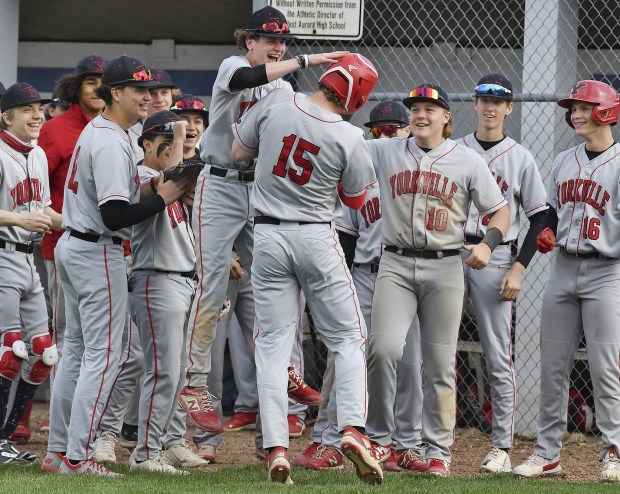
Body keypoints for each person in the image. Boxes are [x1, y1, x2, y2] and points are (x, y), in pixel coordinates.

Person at [179, 5, 342, 433]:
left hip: (260, 190)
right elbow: (244, 81)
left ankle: (287, 373)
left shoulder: (284, 90)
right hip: (219, 184)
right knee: (211, 287)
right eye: (269, 40)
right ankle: (194, 383)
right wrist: (306, 61)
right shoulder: (233, 65)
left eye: (282, 41)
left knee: (278, 287)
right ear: (249, 41)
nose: (277, 47)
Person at [232, 52, 382, 485]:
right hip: (317, 234)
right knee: (349, 338)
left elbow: (238, 151)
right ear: (357, 97)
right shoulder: (350, 136)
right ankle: (352, 429)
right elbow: (356, 201)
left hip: (268, 234)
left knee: (274, 345)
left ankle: (277, 447)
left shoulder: (278, 104)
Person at [42, 55, 186, 477]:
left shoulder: (108, 132)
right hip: (96, 248)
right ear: (115, 93)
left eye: (149, 88)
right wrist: (165, 197)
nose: (147, 96)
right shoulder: (108, 139)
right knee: (105, 356)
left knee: (76, 351)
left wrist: (150, 186)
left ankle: (58, 451)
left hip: (77, 244)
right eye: (138, 89)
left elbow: (113, 198)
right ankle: (79, 456)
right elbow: (113, 216)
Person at [364, 83, 510, 477]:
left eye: (430, 108)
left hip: (446, 266)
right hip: (394, 263)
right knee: (382, 351)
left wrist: (489, 245)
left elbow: (500, 212)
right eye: (415, 109)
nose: (421, 115)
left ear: (447, 117)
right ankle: (379, 441)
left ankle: (438, 451)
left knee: (441, 363)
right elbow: (341, 145)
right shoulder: (386, 150)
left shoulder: (466, 160)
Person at [294, 101, 425, 473]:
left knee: (408, 360)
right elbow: (347, 242)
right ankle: (327, 440)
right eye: (378, 129)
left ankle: (405, 445)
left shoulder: (417, 175)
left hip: (406, 274)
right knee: (343, 355)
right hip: (366, 276)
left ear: (407, 132)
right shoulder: (358, 179)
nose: (384, 135)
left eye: (393, 128)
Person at [512, 80, 620, 483]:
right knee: (552, 366)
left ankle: (613, 450)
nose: (575, 113)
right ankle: (547, 453)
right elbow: (551, 214)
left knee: (604, 367)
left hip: (607, 271)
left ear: (606, 111)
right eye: (573, 107)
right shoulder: (563, 160)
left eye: (584, 106)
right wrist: (547, 232)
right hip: (563, 268)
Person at [455, 73, 548, 473]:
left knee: (498, 354)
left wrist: (519, 267)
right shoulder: (454, 149)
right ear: (474, 104)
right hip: (451, 250)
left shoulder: (520, 156)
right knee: (429, 350)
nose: (490, 107)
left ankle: (502, 447)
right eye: (483, 99)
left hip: (497, 256)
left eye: (498, 101)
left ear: (509, 107)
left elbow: (542, 216)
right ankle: (425, 441)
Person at [35, 54, 108, 436]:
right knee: (69, 336)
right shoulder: (58, 128)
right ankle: (61, 422)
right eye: (90, 81)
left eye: (102, 81)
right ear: (76, 87)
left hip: (111, 246)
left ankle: (93, 422)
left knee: (100, 342)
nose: (97, 88)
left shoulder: (117, 127)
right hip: (65, 245)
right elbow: (36, 191)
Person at [124, 111, 200, 473]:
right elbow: (164, 179)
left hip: (183, 279)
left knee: (176, 371)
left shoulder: (177, 177)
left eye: (175, 143)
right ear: (147, 144)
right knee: (162, 372)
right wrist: (184, 135)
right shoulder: (138, 174)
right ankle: (145, 452)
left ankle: (162, 445)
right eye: (164, 142)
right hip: (157, 280)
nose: (171, 148)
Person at [0, 82, 61, 463]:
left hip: (28, 258)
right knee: (8, 352)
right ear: (6, 116)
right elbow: (27, 215)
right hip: (2, 254)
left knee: (43, 356)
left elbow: (47, 211)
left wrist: (82, 224)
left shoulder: (37, 154)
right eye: (27, 109)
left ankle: (5, 437)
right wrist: (23, 219)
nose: (37, 114)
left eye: (40, 108)